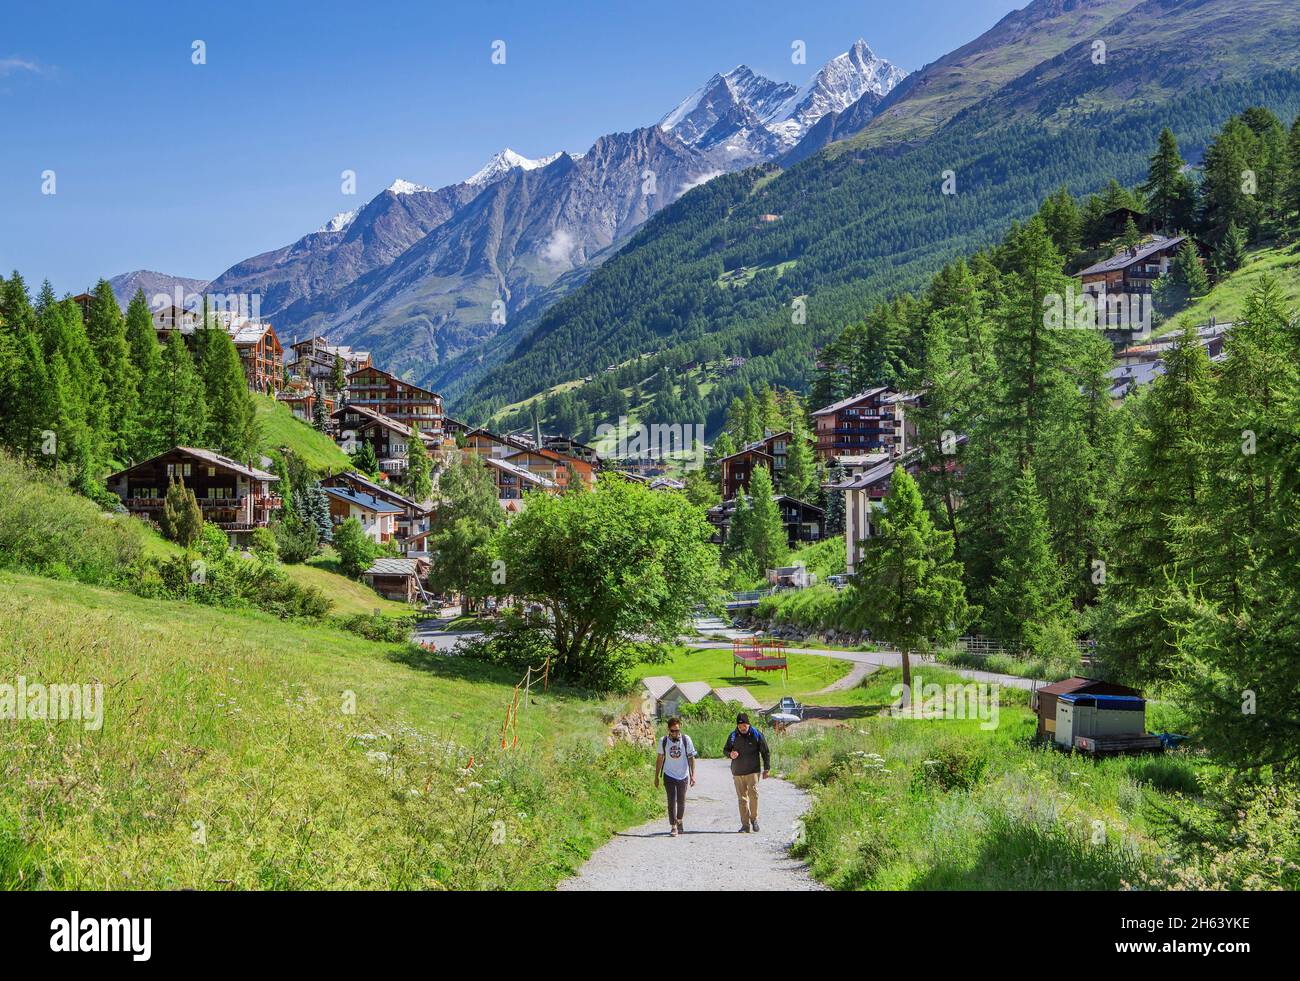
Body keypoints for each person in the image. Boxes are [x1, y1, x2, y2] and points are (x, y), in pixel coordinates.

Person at [723, 712, 770, 833]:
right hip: (737, 772)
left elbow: (765, 751)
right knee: (742, 799)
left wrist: (767, 768)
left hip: (753, 771)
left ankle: (754, 819)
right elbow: (725, 750)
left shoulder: (756, 734)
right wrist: (730, 754)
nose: (742, 728)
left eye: (744, 725)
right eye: (739, 726)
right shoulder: (733, 736)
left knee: (753, 796)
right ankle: (745, 825)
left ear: (748, 724)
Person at [654, 717, 697, 837]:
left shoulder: (686, 739)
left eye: (677, 730)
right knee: (671, 801)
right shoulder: (663, 741)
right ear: (668, 730)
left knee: (681, 801)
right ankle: (673, 826)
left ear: (680, 729)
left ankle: (679, 820)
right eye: (672, 731)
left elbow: (691, 758)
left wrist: (693, 775)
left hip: (683, 775)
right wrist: (656, 776)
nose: (675, 733)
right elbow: (659, 759)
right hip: (669, 774)